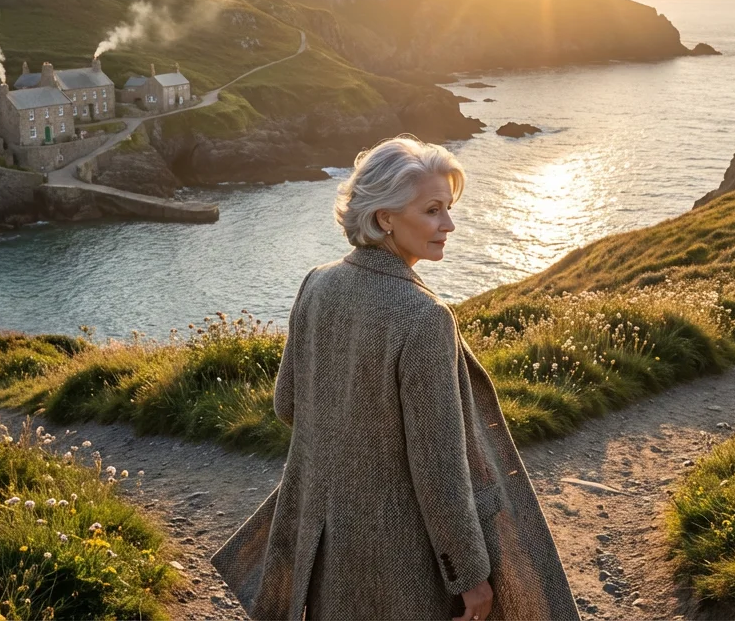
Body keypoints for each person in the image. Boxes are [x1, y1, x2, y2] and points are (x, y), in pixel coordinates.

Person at [212, 135, 579, 620]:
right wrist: (470, 576)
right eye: (432, 210)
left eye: (448, 208)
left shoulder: (316, 283)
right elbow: (439, 469)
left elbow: (288, 405)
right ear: (385, 217)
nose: (448, 224)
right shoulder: (423, 317)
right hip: (401, 558)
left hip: (326, 546)